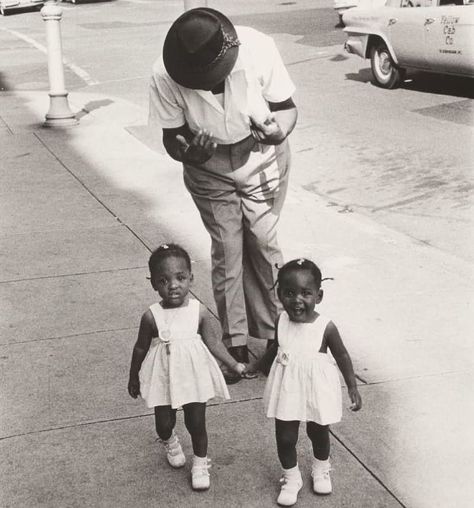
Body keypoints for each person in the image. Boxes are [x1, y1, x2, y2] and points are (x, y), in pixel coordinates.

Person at [148, 7, 298, 372]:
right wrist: (188, 152)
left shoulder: (258, 48)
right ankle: (236, 344)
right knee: (228, 251)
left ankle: (280, 335)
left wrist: (279, 131)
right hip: (207, 167)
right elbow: (172, 138)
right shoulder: (164, 74)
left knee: (264, 245)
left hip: (261, 153)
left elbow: (287, 108)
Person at [127, 243, 248, 491]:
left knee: (196, 423)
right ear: (153, 284)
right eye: (164, 280)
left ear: (191, 278)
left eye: (180, 278)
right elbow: (140, 348)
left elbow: (214, 342)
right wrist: (134, 376)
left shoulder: (198, 312)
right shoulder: (151, 316)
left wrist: (234, 364)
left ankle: (201, 463)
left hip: (192, 374)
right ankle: (170, 440)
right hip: (164, 375)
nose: (173, 285)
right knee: (163, 422)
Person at [251, 258, 362, 506]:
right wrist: (256, 366)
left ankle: (321, 468)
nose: (297, 299)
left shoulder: (326, 327)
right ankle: (291, 477)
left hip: (316, 389)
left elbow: (342, 355)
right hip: (287, 386)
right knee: (285, 437)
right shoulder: (281, 321)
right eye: (289, 293)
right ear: (280, 295)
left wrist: (352, 386)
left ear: (318, 296)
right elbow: (275, 348)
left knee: (318, 432)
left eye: (305, 293)